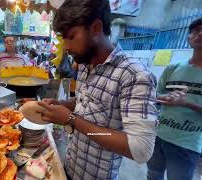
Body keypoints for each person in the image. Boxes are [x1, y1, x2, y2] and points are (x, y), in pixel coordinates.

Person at [36, 0, 158, 179]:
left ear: (96, 27)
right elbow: (87, 102)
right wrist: (63, 104)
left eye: (71, 36)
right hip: (70, 168)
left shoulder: (134, 74)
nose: (67, 47)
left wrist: (71, 120)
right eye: (64, 39)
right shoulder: (85, 63)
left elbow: (140, 149)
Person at [147, 18, 202, 180]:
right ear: (188, 38)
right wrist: (166, 97)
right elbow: (154, 96)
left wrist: (187, 103)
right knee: (153, 174)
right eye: (196, 30)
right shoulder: (172, 68)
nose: (200, 33)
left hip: (187, 144)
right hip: (159, 135)